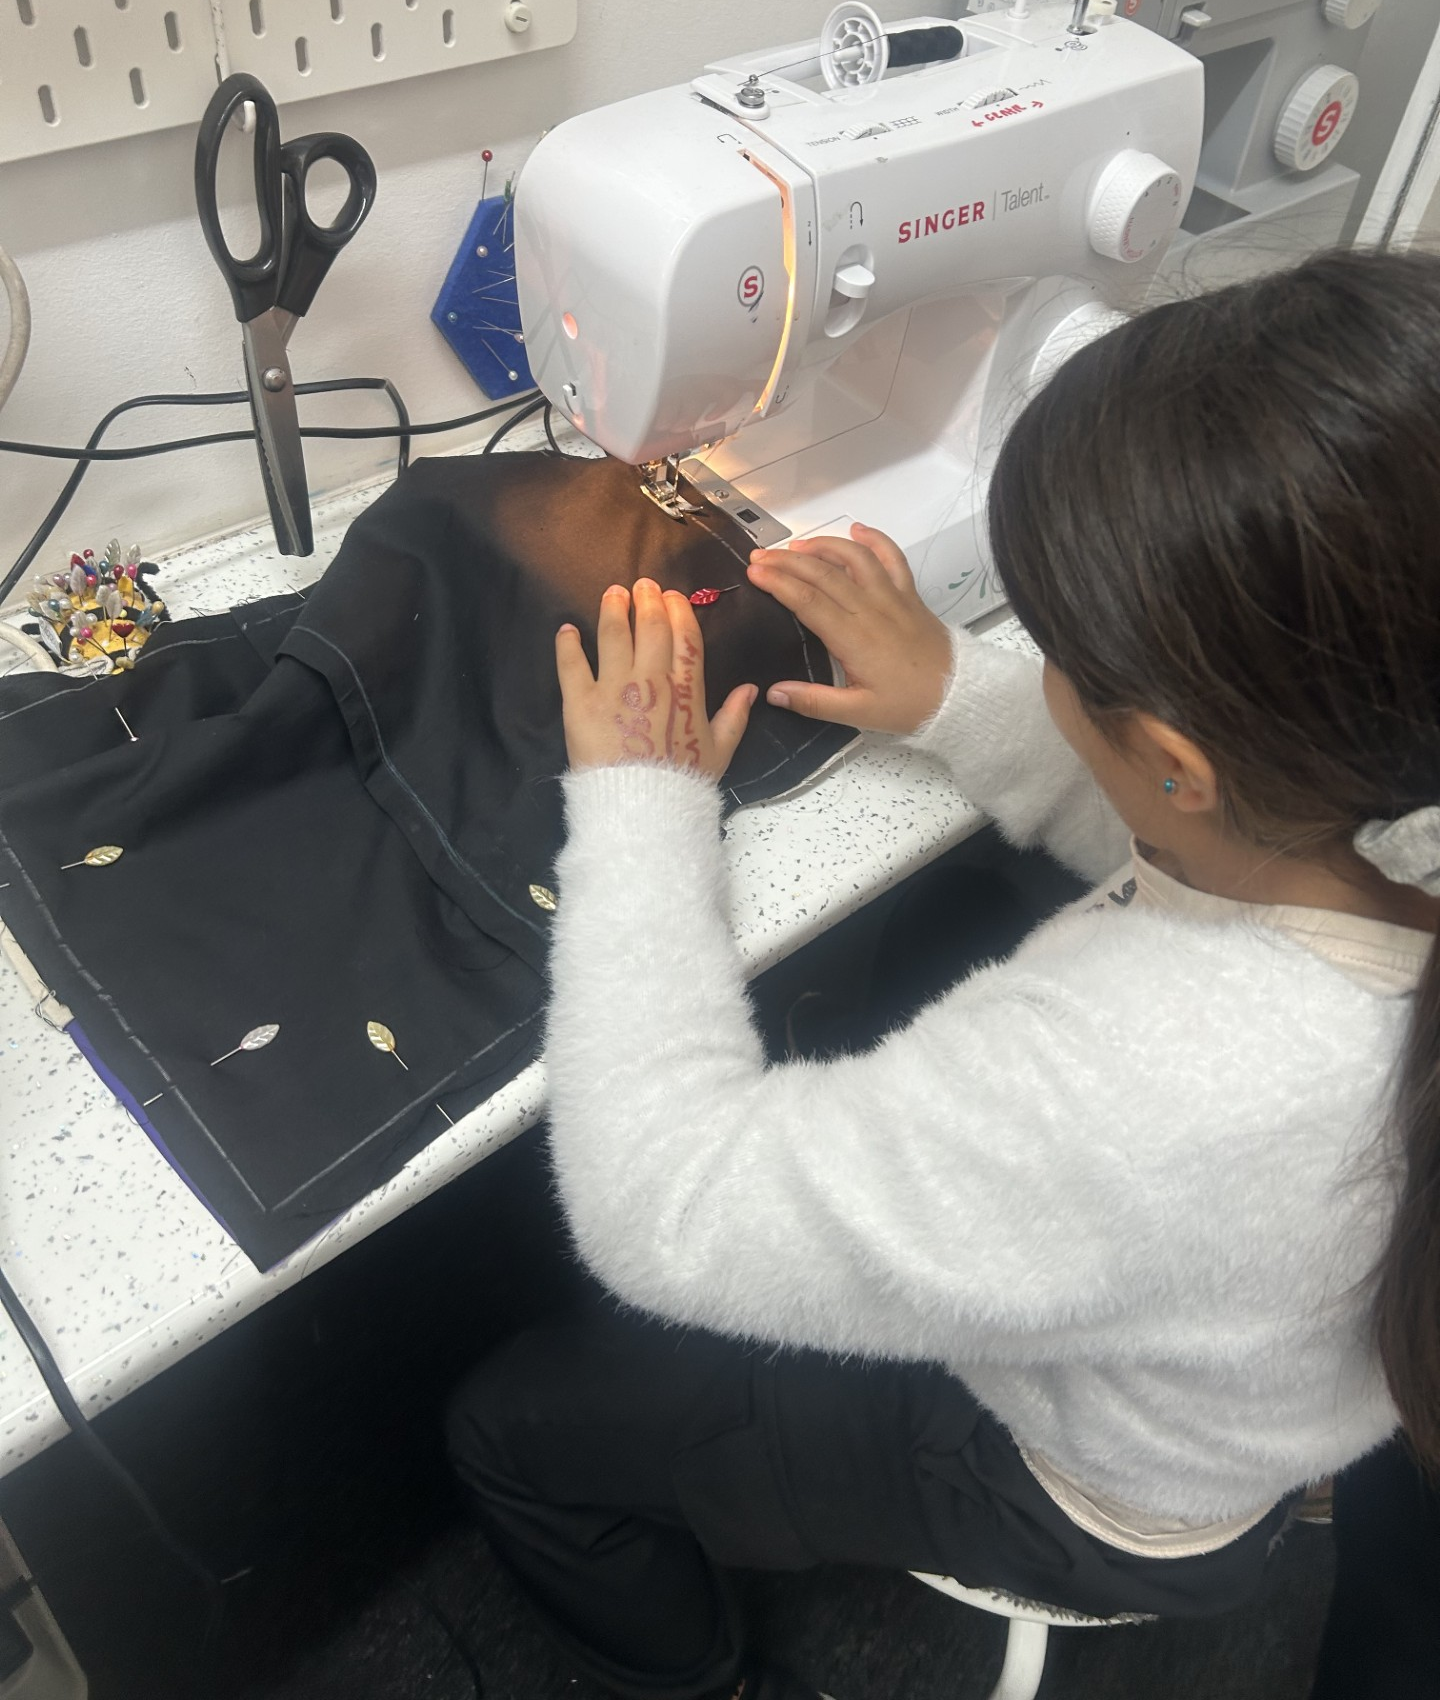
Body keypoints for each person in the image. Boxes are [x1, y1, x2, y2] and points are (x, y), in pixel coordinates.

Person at [447, 247, 1440, 1700]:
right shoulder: (1389, 814)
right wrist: (963, 697)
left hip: (1097, 1489)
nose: (1032, 656)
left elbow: (661, 1206)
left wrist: (644, 807)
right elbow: (1236, 841)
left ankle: (698, 1678)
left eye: (1047, 646)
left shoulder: (1160, 1078)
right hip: (1263, 1410)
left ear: (1175, 756)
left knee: (512, 1429)